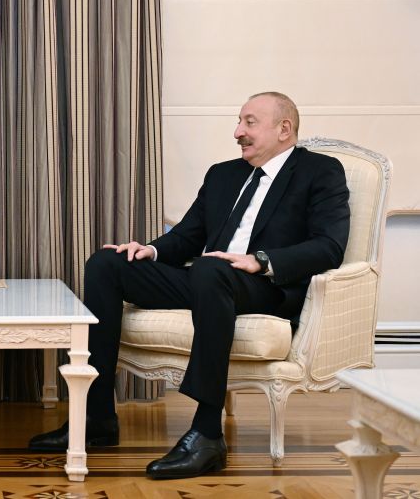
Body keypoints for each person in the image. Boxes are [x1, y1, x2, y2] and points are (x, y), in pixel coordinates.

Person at [28, 91, 350, 479]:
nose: (238, 132)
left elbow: (329, 246)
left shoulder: (320, 171)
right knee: (107, 264)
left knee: (209, 269)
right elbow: (187, 236)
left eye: (249, 122)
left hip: (265, 287)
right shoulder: (223, 174)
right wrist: (149, 250)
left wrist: (261, 261)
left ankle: (207, 433)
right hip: (208, 279)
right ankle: (97, 417)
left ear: (284, 129)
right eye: (238, 122)